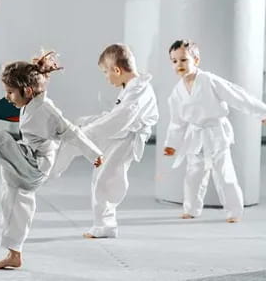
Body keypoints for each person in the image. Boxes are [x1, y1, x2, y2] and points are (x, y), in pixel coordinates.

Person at [0, 51, 104, 269]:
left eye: (10, 92)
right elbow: (7, 106)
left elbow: (72, 132)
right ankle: (14, 253)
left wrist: (94, 153)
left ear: (28, 90)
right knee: (14, 203)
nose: (7, 97)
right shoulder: (28, 103)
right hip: (24, 161)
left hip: (35, 165)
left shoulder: (46, 109)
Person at [51, 44, 158, 238]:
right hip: (120, 135)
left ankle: (106, 226)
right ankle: (103, 224)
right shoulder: (133, 87)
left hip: (126, 139)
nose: (106, 77)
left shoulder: (138, 89)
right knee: (100, 174)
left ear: (117, 70)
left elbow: (122, 118)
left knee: (107, 179)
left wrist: (89, 132)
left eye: (105, 72)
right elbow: (117, 115)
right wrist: (89, 124)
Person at [163, 39, 266, 222]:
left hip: (216, 133)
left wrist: (261, 112)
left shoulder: (208, 80)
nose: (179, 64)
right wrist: (172, 143)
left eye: (184, 60)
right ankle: (192, 209)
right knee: (193, 175)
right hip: (195, 137)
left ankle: (234, 211)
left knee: (224, 174)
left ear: (196, 60)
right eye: (174, 61)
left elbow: (237, 96)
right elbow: (177, 122)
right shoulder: (177, 92)